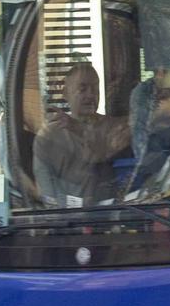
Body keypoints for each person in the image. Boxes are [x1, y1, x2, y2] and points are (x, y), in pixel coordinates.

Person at [32, 62, 130, 204]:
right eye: (82, 89)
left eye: (95, 88)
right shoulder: (49, 137)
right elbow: (47, 194)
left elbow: (108, 149)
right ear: (65, 93)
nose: (90, 95)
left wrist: (79, 129)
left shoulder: (114, 127)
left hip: (115, 213)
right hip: (69, 219)